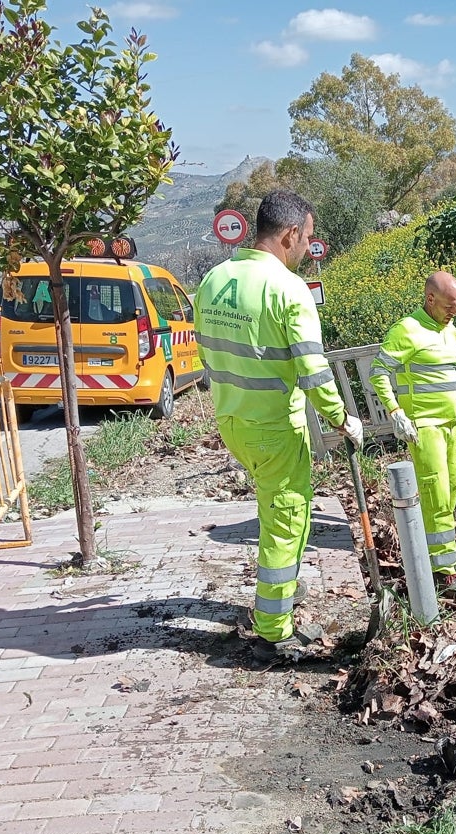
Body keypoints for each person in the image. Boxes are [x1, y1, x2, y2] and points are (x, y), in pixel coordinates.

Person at [194, 189, 363, 663]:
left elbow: (206, 353)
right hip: (273, 425)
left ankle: (285, 586)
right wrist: (342, 419)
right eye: (308, 237)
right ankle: (273, 625)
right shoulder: (288, 290)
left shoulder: (213, 280)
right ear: (290, 234)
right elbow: (313, 370)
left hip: (232, 419)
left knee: (273, 509)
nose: (310, 247)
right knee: (288, 518)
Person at [369, 271, 456, 601]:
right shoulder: (407, 330)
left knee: (452, 487)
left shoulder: (450, 330)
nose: (453, 312)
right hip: (425, 426)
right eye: (448, 306)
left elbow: (447, 376)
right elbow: (378, 374)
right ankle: (443, 571)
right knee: (436, 492)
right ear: (430, 299)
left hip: (451, 424)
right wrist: (396, 411)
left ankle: (443, 553)